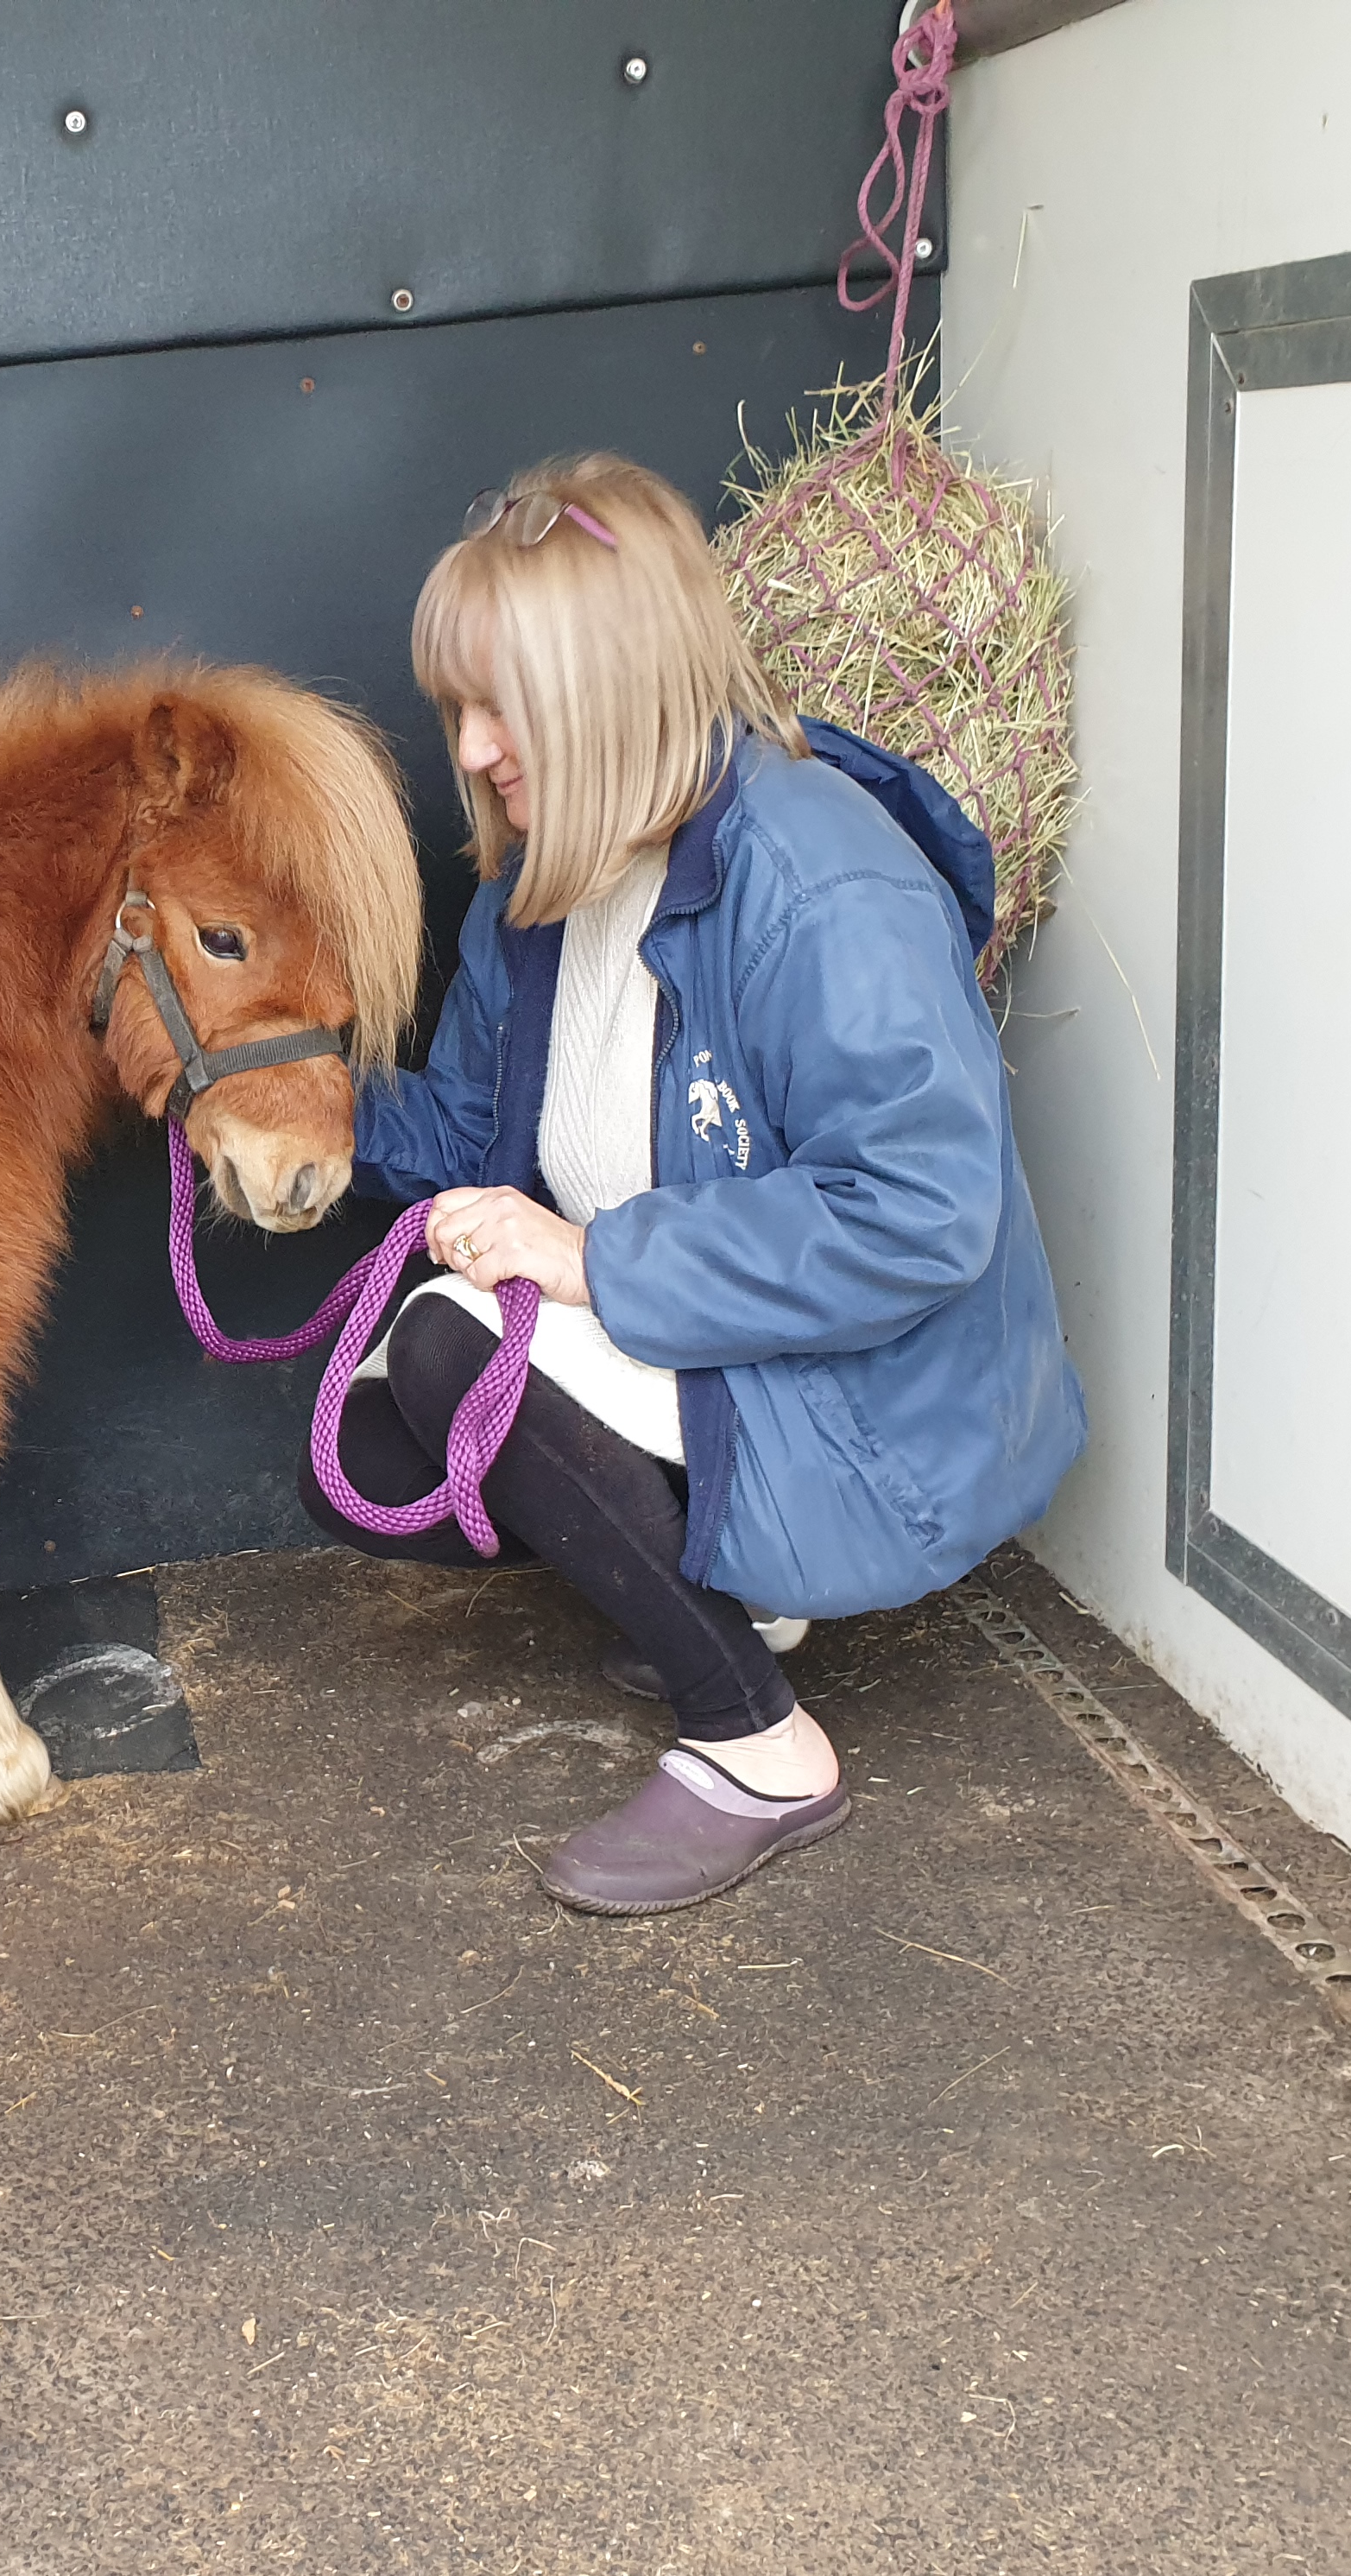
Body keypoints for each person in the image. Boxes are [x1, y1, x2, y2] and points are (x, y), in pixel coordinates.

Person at [310, 452, 1084, 1917]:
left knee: (446, 1346)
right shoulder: (549, 878)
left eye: (501, 708)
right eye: (456, 707)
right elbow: (478, 1135)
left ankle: (758, 1748)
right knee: (379, 1457)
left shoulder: (823, 884)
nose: (470, 752)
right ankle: (741, 1596)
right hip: (731, 1347)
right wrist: (287, 1104)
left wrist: (591, 1265)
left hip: (882, 1404)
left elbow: (919, 1216)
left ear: (616, 679)